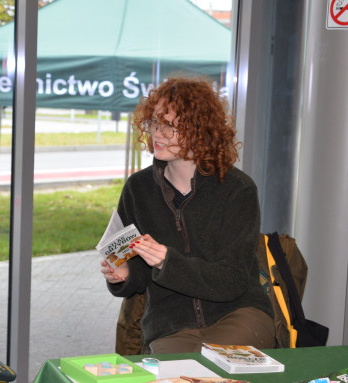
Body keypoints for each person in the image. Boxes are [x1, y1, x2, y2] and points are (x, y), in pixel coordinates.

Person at [100, 75, 275, 354]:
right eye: (155, 123)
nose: (157, 133)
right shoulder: (138, 189)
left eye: (170, 126)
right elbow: (138, 274)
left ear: (200, 130)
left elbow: (231, 281)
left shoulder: (237, 190)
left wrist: (168, 260)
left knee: (216, 372)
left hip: (238, 314)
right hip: (171, 324)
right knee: (173, 382)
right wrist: (122, 275)